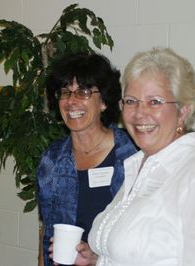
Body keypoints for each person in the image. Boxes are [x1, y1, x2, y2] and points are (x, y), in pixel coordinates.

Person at [82, 47, 195, 265]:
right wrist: (101, 257)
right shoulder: (141, 166)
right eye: (131, 101)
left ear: (183, 111)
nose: (139, 113)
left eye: (154, 101)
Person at [37, 53, 137, 265]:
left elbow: (143, 236)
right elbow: (47, 231)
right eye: (65, 92)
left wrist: (98, 259)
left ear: (103, 102)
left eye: (83, 91)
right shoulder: (52, 159)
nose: (72, 101)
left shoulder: (132, 156)